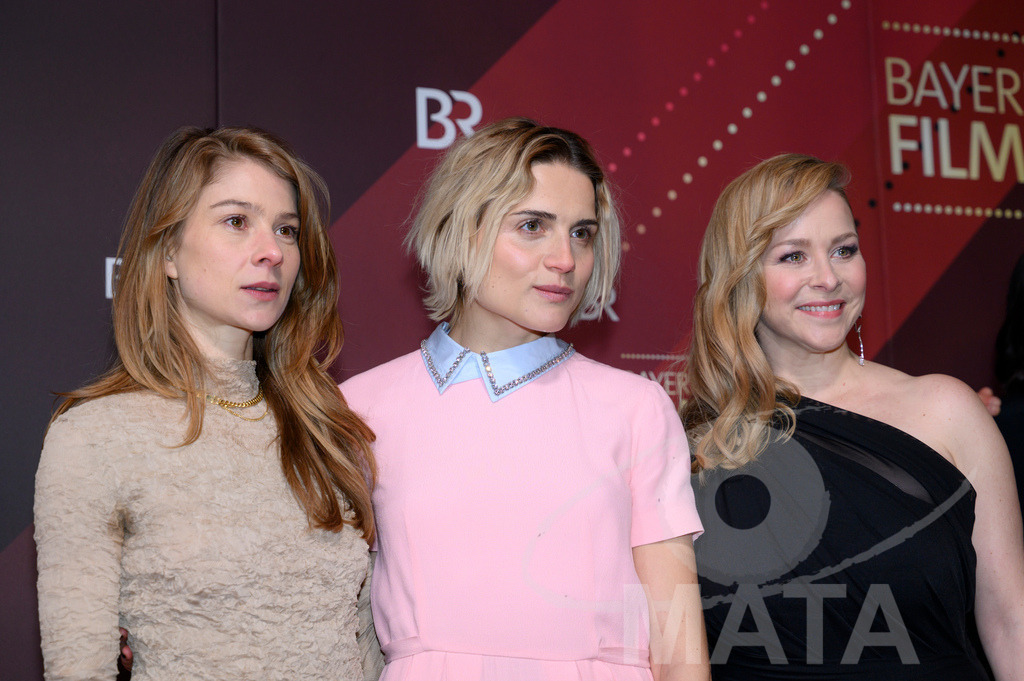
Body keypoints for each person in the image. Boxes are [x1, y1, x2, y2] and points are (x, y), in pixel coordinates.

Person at [341, 118, 709, 680]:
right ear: (462, 229)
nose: (565, 258)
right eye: (533, 226)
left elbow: (679, 642)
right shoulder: (359, 409)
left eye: (581, 233)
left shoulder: (635, 409)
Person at [34, 127, 377, 680]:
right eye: (236, 221)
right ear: (168, 251)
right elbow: (79, 669)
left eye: (286, 230)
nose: (271, 252)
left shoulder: (325, 426)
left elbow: (365, 645)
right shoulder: (95, 436)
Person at [680, 153, 1024, 679]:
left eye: (844, 250)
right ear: (740, 275)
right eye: (793, 256)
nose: (828, 277)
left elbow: (1010, 622)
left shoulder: (947, 411)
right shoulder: (692, 446)